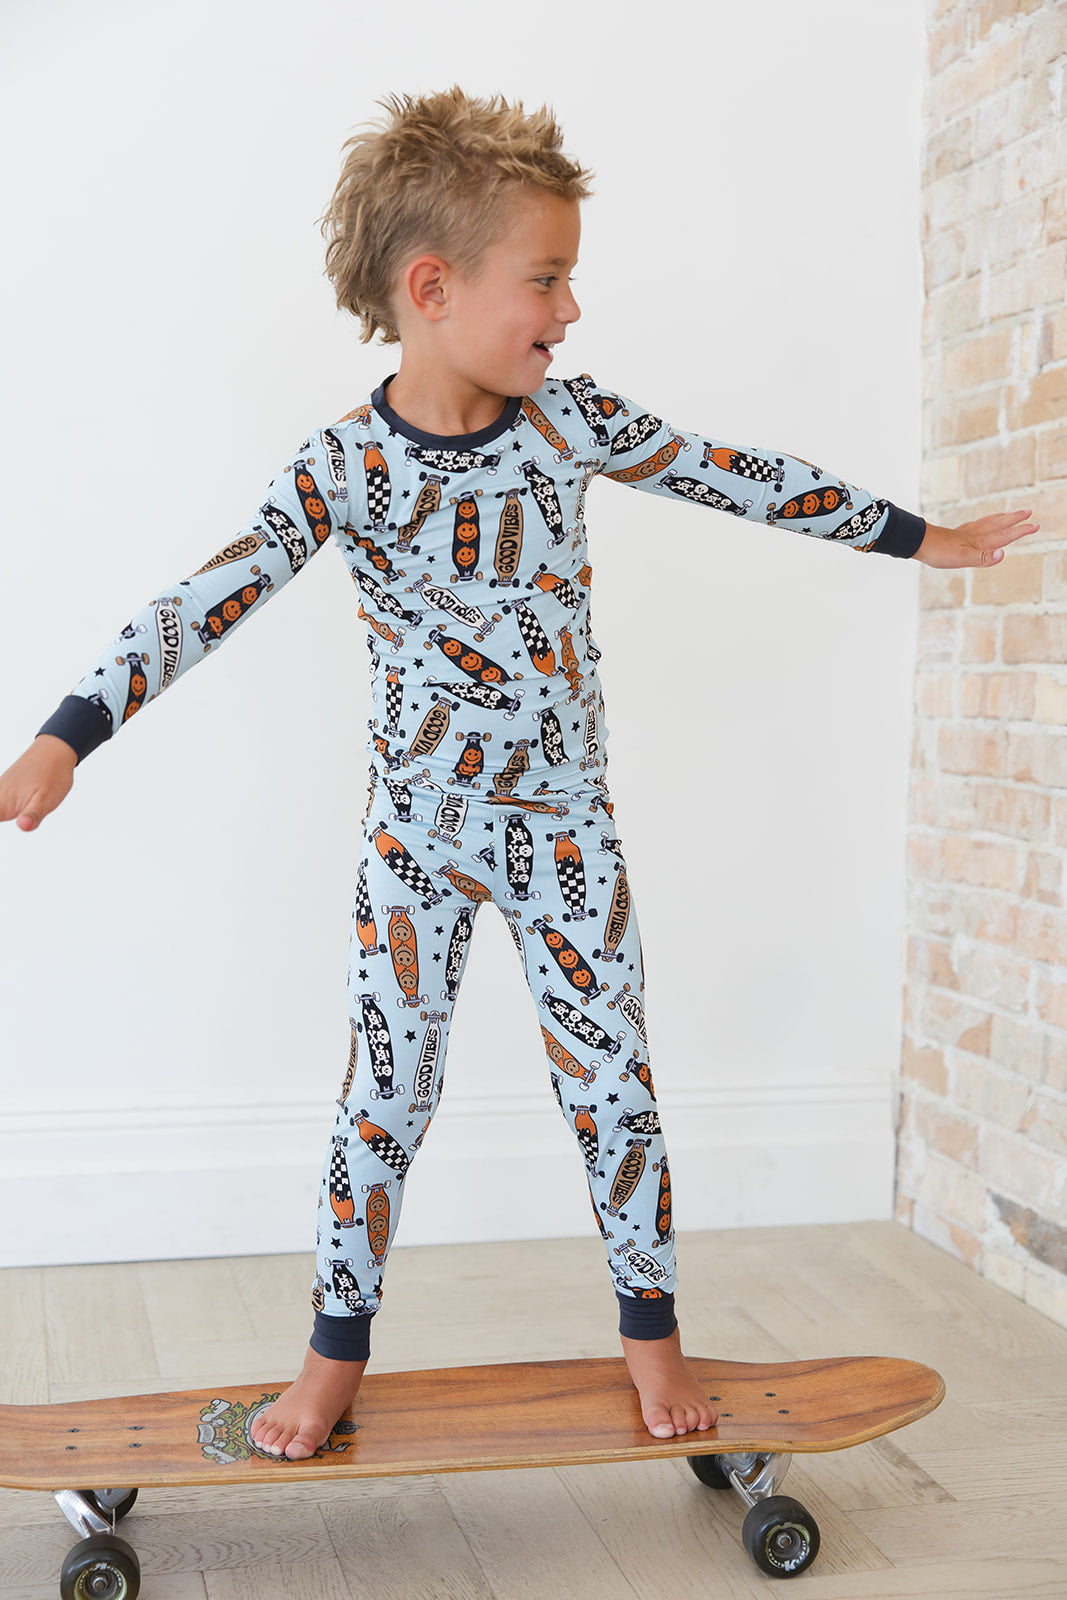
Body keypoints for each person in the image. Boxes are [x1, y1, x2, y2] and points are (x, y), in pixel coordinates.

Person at [0, 87, 1038, 1461]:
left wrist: (924, 539)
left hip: (565, 837)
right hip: (416, 841)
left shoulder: (570, 423)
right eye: (546, 279)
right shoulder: (345, 468)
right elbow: (208, 599)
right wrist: (67, 734)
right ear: (433, 288)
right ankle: (329, 1358)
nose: (572, 308)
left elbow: (738, 475)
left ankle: (652, 1338)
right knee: (385, 1097)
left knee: (615, 1087)